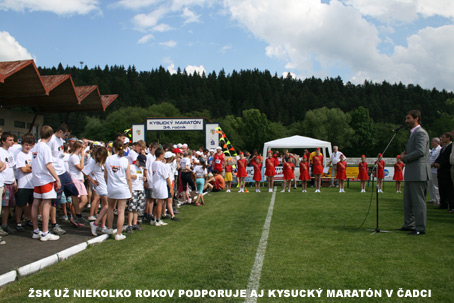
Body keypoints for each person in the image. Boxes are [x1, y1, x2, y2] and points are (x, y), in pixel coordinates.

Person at [398, 110, 431, 236]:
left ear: (416, 118)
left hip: (418, 173)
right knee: (408, 201)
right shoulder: (413, 134)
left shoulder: (421, 133)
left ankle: (420, 227)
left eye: (408, 118)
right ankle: (409, 224)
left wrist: (404, 158)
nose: (406, 121)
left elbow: (420, 152)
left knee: (418, 202)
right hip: (412, 172)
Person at [31, 126, 62, 241]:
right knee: (46, 205)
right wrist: (57, 178)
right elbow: (48, 165)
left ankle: (35, 230)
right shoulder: (45, 147)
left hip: (36, 179)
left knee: (35, 204)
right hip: (45, 179)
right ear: (50, 136)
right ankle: (44, 232)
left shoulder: (35, 146)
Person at [104, 139, 132, 240]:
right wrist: (131, 190)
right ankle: (118, 234)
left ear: (113, 148)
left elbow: (106, 175)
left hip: (112, 187)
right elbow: (128, 178)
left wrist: (109, 184)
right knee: (121, 211)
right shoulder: (125, 160)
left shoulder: (108, 159)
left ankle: (110, 227)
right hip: (123, 188)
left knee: (110, 208)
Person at [14, 133, 35, 232]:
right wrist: (32, 168)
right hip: (23, 184)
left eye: (30, 145)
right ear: (22, 144)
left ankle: (29, 219)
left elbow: (34, 167)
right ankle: (18, 222)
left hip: (32, 183)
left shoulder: (33, 154)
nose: (28, 147)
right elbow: (23, 169)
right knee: (20, 204)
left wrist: (29, 168)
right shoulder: (20, 155)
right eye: (26, 144)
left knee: (32, 204)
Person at [86, 147, 109, 235]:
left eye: (100, 156)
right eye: (98, 156)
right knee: (107, 205)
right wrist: (92, 180)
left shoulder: (105, 161)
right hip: (100, 185)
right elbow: (85, 172)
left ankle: (102, 225)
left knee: (105, 205)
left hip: (106, 184)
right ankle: (95, 224)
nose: (99, 157)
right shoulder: (93, 162)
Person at [0, 132, 17, 234]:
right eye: (9, 140)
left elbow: (11, 167)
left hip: (10, 181)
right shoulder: (0, 151)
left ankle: (5, 225)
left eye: (12, 140)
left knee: (7, 206)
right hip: (3, 182)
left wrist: (14, 181)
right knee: (2, 206)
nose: (12, 142)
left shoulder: (10, 152)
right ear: (3, 141)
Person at [151, 148, 172, 226]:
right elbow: (166, 177)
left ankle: (154, 218)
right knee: (160, 203)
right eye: (163, 155)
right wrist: (170, 187)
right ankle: (158, 220)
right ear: (160, 155)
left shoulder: (154, 163)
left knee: (159, 202)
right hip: (161, 185)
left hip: (156, 184)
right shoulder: (161, 165)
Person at [434, 132, 453, 211]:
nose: (442, 139)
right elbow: (440, 157)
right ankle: (443, 203)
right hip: (441, 171)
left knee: (449, 189)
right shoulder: (443, 148)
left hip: (446, 171)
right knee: (441, 188)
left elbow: (449, 159)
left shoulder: (451, 147)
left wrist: (441, 165)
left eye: (444, 137)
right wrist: (436, 163)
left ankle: (451, 205)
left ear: (448, 138)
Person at [428, 137, 441, 205]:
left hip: (435, 170)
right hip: (430, 169)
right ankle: (432, 198)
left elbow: (437, 159)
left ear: (436, 142)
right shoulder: (433, 149)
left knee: (435, 186)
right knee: (430, 185)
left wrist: (432, 165)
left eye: (432, 141)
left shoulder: (439, 149)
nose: (431, 143)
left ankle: (437, 200)